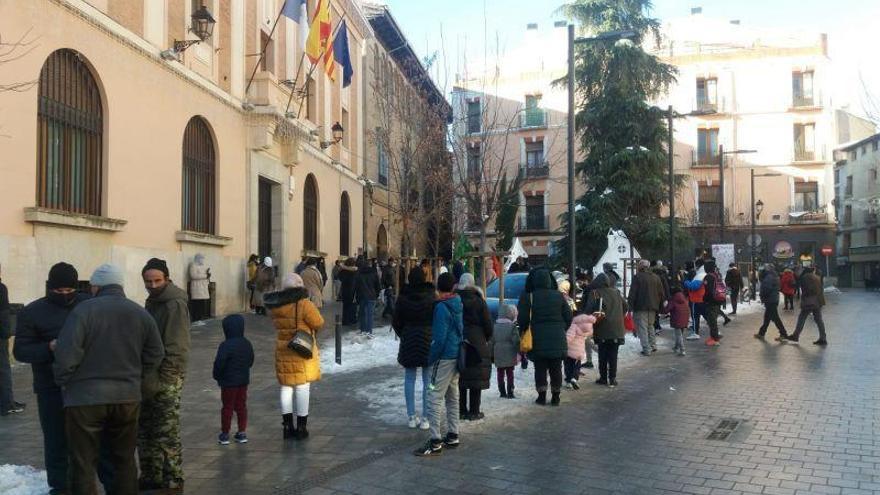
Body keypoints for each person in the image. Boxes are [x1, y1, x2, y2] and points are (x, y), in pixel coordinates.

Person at [54, 264, 164, 495]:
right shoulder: (139, 312)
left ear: (95, 286)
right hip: (127, 397)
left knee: (83, 462)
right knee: (124, 460)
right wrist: (136, 375)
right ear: (120, 286)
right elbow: (156, 353)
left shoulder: (83, 311)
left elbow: (67, 353)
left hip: (85, 398)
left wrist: (64, 379)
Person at [13, 263, 89, 493]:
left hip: (84, 384)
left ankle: (83, 484)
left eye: (69, 291)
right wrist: (49, 347)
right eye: (59, 291)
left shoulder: (87, 305)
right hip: (50, 386)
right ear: (49, 288)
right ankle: (59, 486)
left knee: (85, 441)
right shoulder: (33, 311)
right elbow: (21, 351)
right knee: (55, 440)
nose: (65, 296)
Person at [139, 258, 191, 493]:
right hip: (151, 375)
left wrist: (167, 379)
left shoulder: (174, 303)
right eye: (148, 281)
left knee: (166, 431)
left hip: (166, 376)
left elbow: (176, 346)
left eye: (157, 280)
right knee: (148, 427)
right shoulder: (153, 301)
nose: (152, 285)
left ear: (167, 279)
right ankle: (151, 475)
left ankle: (173, 479)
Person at [265, 273, 324, 440]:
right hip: (301, 349)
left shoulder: (276, 305)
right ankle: (301, 427)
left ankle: (287, 426)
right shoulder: (304, 304)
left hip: (283, 348)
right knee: (302, 387)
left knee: (286, 386)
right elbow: (319, 322)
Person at [414, 273, 462, 457]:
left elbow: (439, 339)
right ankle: (453, 433)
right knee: (452, 396)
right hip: (456, 355)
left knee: (433, 396)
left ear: (439, 289)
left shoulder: (442, 308)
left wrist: (431, 357)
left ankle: (435, 440)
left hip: (443, 359)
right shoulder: (458, 303)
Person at [517, 268, 572, 406]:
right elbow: (568, 316)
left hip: (537, 337)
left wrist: (524, 331)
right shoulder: (558, 296)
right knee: (556, 367)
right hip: (557, 337)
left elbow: (522, 319)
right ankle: (556, 396)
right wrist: (561, 328)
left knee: (540, 367)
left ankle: (541, 396)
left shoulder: (528, 296)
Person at [392, 266, 435, 429]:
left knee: (409, 378)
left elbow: (396, 321)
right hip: (427, 340)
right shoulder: (432, 296)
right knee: (428, 381)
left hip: (409, 338)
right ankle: (426, 417)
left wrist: (404, 334)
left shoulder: (403, 297)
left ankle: (411, 416)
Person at [212, 314, 254, 446]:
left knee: (227, 407)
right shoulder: (246, 343)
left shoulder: (225, 345)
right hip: (243, 381)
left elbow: (219, 363)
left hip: (229, 383)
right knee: (241, 406)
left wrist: (217, 375)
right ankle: (242, 432)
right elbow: (250, 360)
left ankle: (225, 434)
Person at [456, 273, 493, 421]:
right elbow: (488, 323)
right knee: (476, 377)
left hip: (461, 339)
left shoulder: (456, 300)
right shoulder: (479, 301)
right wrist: (486, 337)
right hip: (477, 340)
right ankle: (474, 411)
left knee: (462, 378)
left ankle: (461, 410)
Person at [585, 274, 627, 387]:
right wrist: (618, 316)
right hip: (617, 329)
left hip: (602, 328)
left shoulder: (595, 293)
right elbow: (626, 306)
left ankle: (603, 378)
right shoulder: (616, 292)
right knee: (613, 354)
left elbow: (589, 310)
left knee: (603, 354)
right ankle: (612, 378)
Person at [0, 264, 25, 417]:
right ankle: (6, 403)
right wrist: (6, 333)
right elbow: (3, 313)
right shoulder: (1, 288)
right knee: (3, 369)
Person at [628, 260, 665, 356]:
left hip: (640, 307)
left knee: (642, 328)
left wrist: (630, 307)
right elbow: (661, 293)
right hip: (653, 306)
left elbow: (633, 293)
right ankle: (653, 345)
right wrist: (660, 306)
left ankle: (646, 348)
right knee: (650, 326)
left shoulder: (637, 277)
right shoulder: (655, 277)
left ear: (640, 267)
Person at [787, 267, 827, 345]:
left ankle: (795, 335)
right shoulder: (815, 277)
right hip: (818, 301)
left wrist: (791, 281)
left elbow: (796, 286)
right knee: (819, 320)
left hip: (810, 301)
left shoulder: (805, 277)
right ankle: (823, 338)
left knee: (802, 317)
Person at [491, 304, 520, 399]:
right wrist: (519, 349)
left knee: (500, 372)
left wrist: (492, 353)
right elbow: (516, 340)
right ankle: (510, 392)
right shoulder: (512, 326)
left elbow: (492, 341)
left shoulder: (494, 326)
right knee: (510, 373)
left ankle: (502, 391)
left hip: (498, 351)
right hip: (510, 352)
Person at [755, 264, 788, 341]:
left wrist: (762, 295)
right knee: (767, 318)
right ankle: (761, 333)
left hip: (770, 300)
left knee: (775, 318)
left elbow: (766, 288)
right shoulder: (774, 275)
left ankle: (784, 334)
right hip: (773, 299)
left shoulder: (769, 277)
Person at [564, 313, 595, 389]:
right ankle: (574, 378)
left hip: (570, 350)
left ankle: (568, 381)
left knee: (568, 366)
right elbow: (590, 334)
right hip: (579, 352)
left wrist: (563, 345)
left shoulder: (574, 326)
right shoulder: (588, 328)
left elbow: (569, 337)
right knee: (577, 366)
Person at [700, 259, 725, 347]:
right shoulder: (716, 275)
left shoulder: (708, 277)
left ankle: (715, 339)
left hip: (711, 301)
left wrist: (704, 299)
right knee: (712, 319)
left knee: (712, 321)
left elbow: (709, 291)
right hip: (718, 300)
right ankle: (713, 337)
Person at [355, 258, 381, 337]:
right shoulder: (374, 273)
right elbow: (378, 286)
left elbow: (357, 286)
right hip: (372, 296)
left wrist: (357, 297)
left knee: (362, 314)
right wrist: (376, 294)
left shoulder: (359, 274)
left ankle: (363, 330)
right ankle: (369, 331)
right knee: (370, 314)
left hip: (362, 296)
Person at [663, 287, 691, 356]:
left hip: (677, 319)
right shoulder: (684, 299)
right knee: (680, 334)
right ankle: (676, 347)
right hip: (685, 319)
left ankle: (682, 350)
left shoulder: (673, 300)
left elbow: (666, 310)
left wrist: (663, 307)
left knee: (678, 335)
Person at [188, 253, 211, 323]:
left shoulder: (202, 266)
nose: (202, 260)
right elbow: (193, 275)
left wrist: (208, 275)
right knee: (196, 305)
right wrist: (205, 276)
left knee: (201, 304)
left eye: (203, 258)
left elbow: (204, 275)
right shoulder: (193, 265)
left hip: (202, 288)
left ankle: (200, 319)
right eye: (201, 258)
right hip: (197, 288)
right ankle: (196, 319)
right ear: (198, 259)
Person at [339, 258, 358, 325]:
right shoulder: (355, 271)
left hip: (344, 290)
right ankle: (352, 319)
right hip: (352, 290)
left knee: (345, 306)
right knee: (352, 306)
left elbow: (340, 278)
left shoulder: (343, 271)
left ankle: (345, 320)